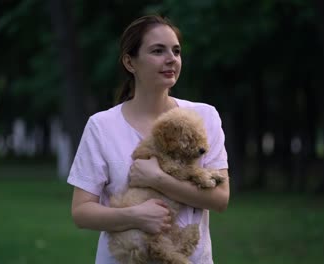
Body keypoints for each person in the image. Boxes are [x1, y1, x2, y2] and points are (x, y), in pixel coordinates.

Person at [67, 14, 230, 264]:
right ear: (130, 62)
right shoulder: (102, 126)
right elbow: (81, 212)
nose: (171, 59)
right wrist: (135, 216)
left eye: (176, 51)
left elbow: (220, 199)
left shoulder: (204, 117)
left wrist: (158, 179)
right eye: (158, 51)